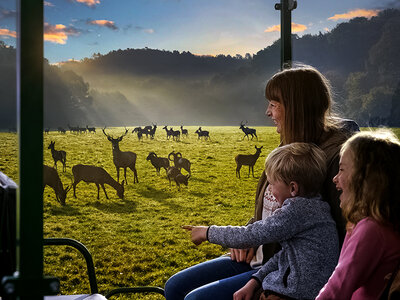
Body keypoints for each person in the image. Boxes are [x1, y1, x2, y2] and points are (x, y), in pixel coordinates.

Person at [164, 65, 359, 300]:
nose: (268, 112)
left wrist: (242, 238)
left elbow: (334, 233)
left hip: (284, 269)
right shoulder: (288, 145)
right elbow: (270, 211)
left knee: (195, 298)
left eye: (274, 105)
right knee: (174, 286)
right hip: (257, 253)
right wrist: (249, 234)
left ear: (296, 108)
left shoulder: (332, 159)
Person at [183, 142, 339, 300]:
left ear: (293, 188)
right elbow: (285, 256)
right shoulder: (316, 208)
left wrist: (207, 232)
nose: (269, 190)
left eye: (271, 184)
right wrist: (254, 281)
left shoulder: (297, 211)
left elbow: (249, 235)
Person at [316, 130, 400, 299]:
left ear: (366, 180)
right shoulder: (374, 224)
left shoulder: (371, 230)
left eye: (341, 169)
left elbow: (335, 290)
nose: (335, 178)